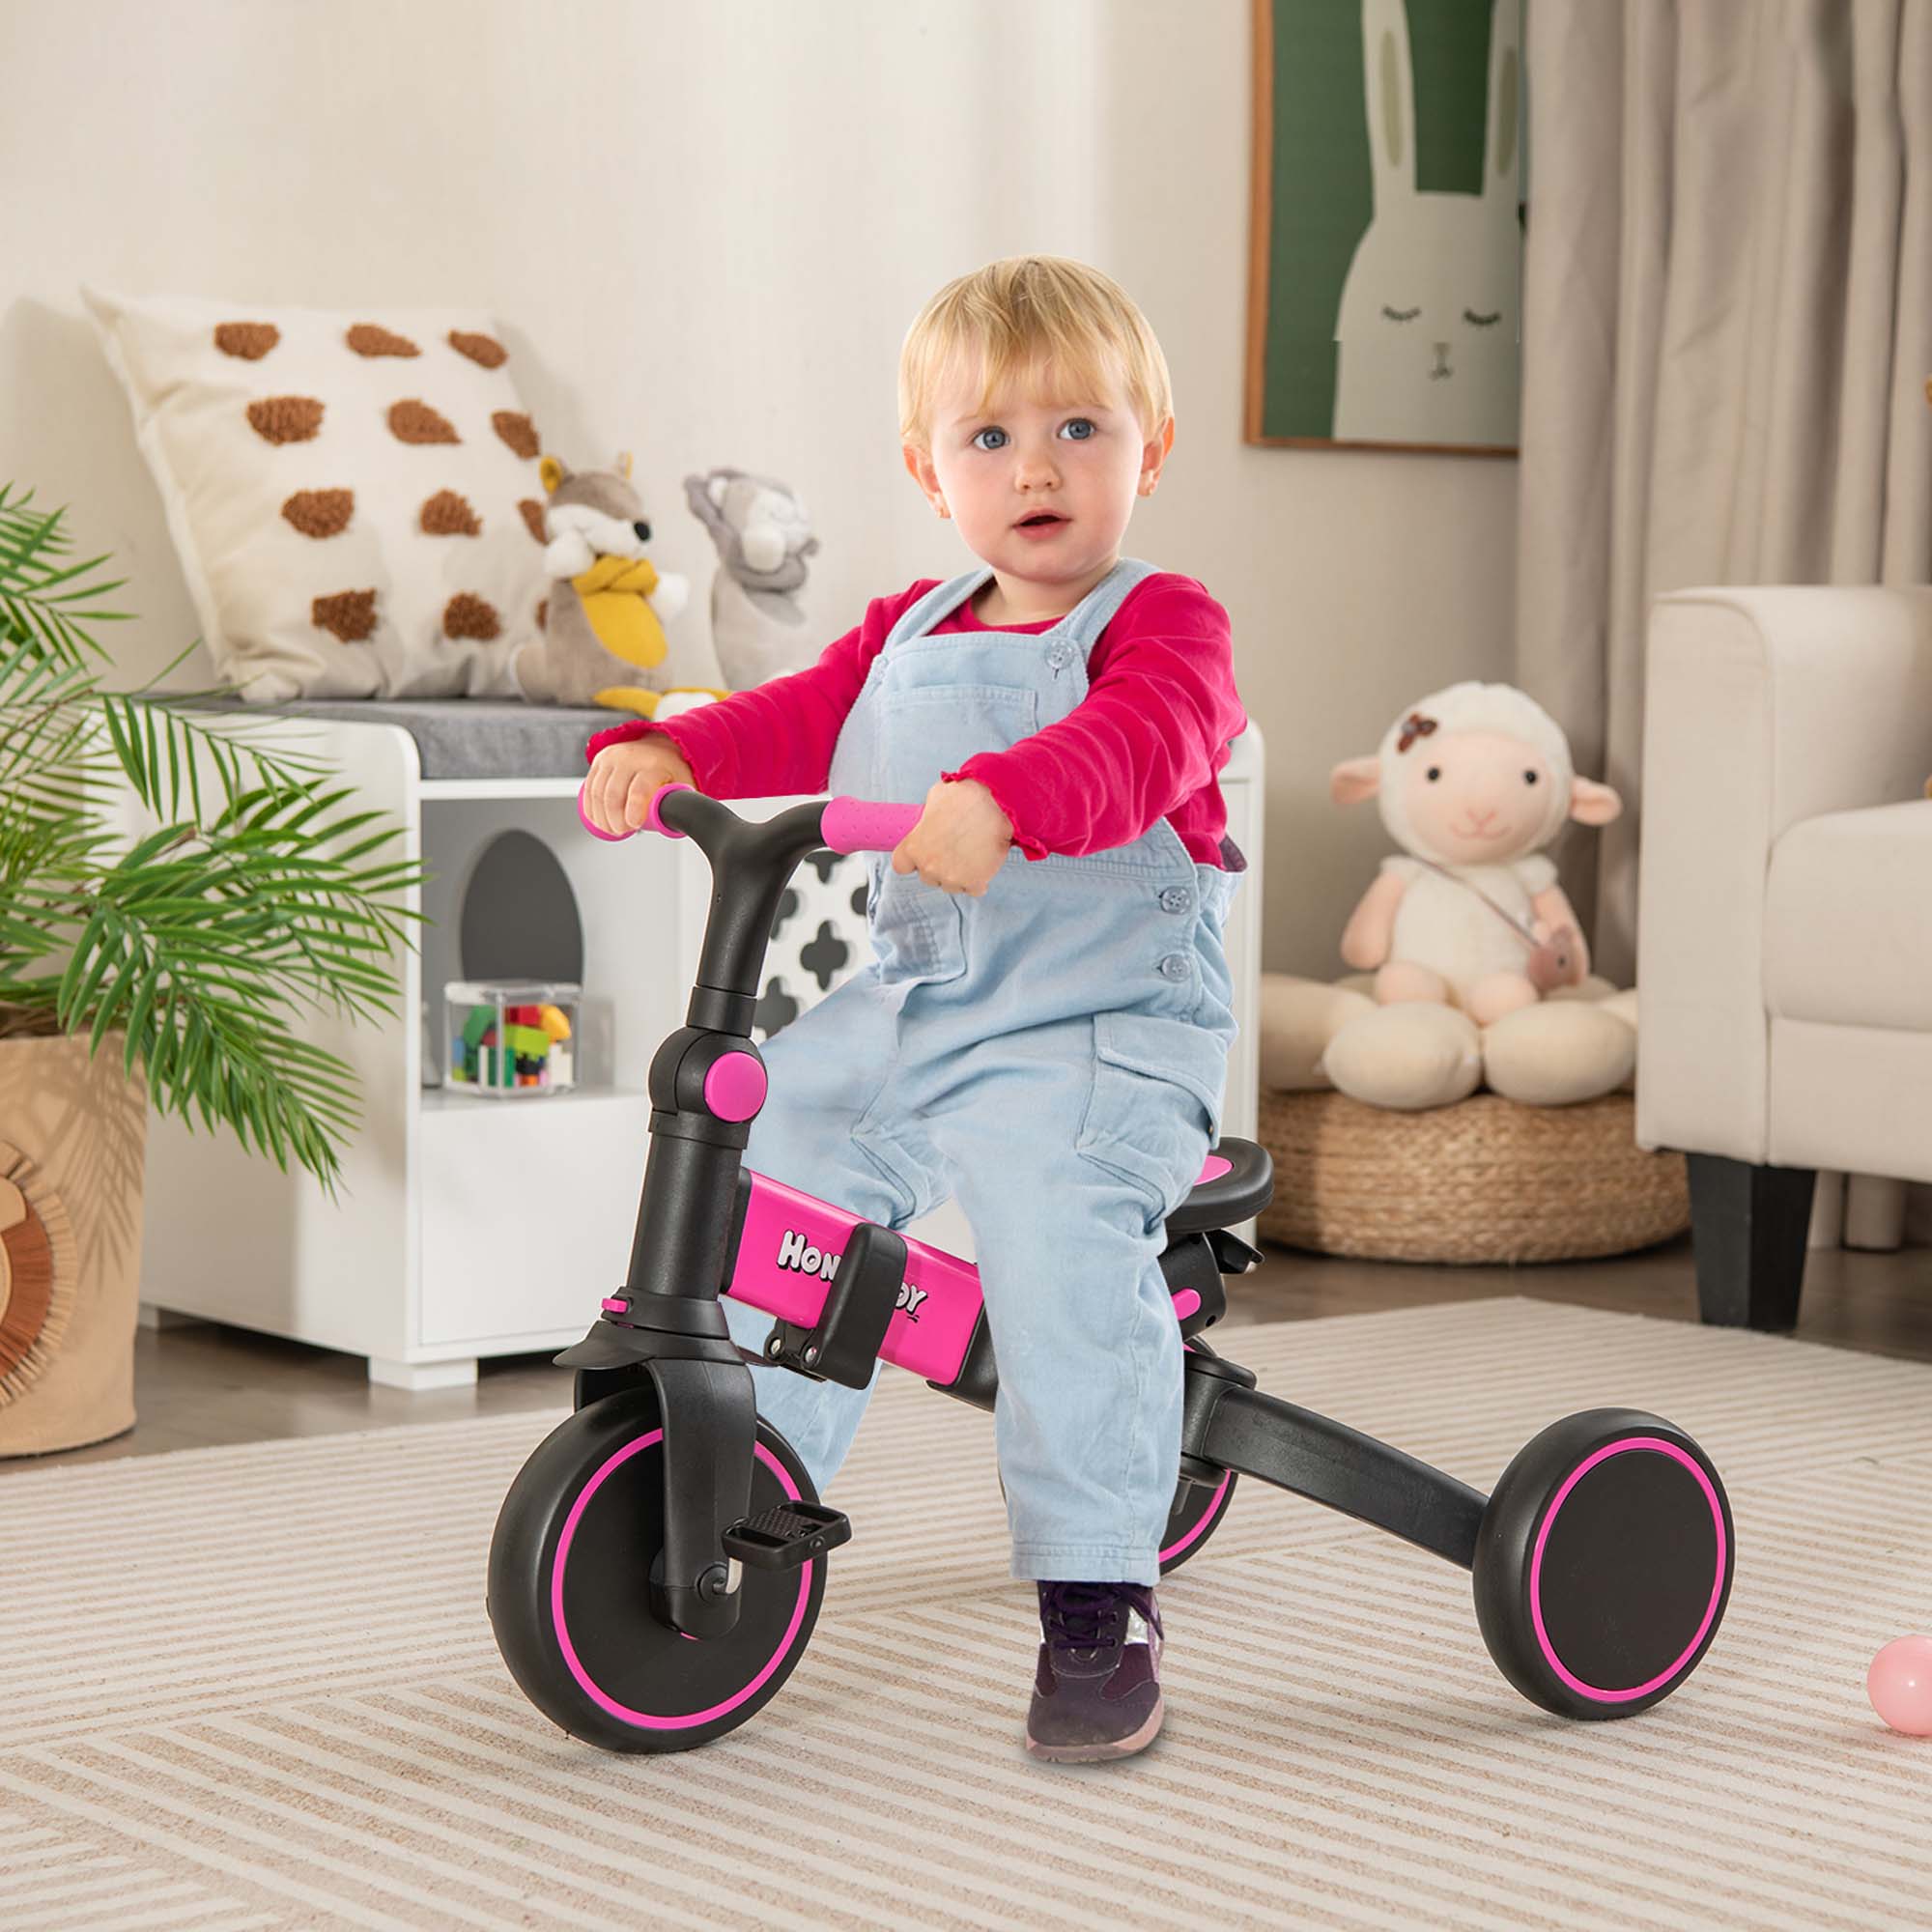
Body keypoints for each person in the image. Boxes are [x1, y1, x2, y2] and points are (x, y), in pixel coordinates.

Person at [582, 255, 1247, 1763]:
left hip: (1099, 1021)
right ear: (927, 470)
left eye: (1080, 430)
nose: (1037, 470)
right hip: (918, 998)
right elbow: (808, 711)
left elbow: (1145, 743)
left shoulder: (1167, 624)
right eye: (991, 438)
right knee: (771, 1145)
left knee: (1053, 1236)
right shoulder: (911, 624)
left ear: (1151, 447)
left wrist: (1008, 796)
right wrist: (679, 751)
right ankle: (745, 1481)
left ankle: (1098, 1591)